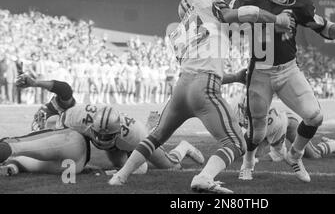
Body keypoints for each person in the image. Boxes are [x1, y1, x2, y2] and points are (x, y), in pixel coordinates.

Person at [108, 0, 293, 193]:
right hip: (204, 87)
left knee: (156, 137)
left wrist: (236, 77)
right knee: (237, 143)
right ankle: (204, 177)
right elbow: (243, 13)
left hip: (181, 88)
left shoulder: (177, 34)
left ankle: (120, 176)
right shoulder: (206, 2)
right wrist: (276, 19)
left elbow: (197, 66)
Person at [231, 0, 335, 182]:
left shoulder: (299, 3)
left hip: (288, 70)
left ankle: (295, 155)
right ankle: (247, 162)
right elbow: (230, 13)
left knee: (315, 116)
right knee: (258, 131)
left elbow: (320, 25)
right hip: (260, 72)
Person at [0, 74, 204, 176]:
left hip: (136, 136)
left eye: (107, 137)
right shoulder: (76, 117)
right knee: (117, 163)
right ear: (92, 127)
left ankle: (184, 147)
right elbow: (63, 98)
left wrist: (122, 173)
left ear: (116, 134)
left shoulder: (134, 135)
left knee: (168, 167)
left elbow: (136, 165)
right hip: (107, 132)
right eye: (99, 135)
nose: (101, 140)